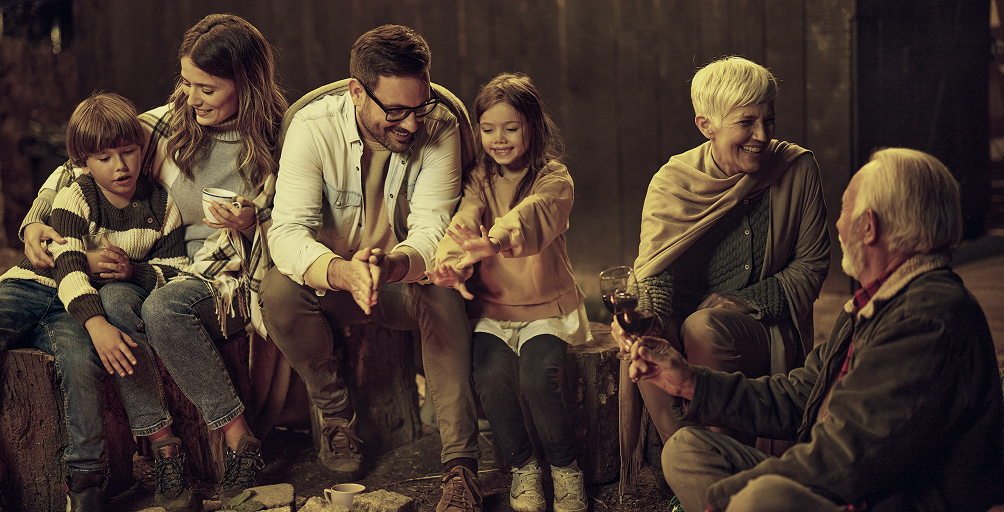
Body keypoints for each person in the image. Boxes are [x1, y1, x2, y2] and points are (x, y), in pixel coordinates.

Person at [627, 147, 1004, 512]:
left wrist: (727, 497)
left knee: (761, 500)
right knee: (686, 450)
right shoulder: (878, 302)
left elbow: (848, 460)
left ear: (868, 227)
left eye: (844, 209)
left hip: (877, 498)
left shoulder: (928, 316)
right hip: (842, 482)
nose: (838, 225)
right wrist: (690, 382)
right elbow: (796, 396)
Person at [20, 14, 288, 511]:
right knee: (118, 301)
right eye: (186, 82)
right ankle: (163, 444)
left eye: (206, 87)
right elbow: (80, 164)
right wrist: (35, 221)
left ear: (245, 85)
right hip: (161, 268)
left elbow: (294, 225)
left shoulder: (277, 139)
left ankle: (238, 436)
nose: (191, 96)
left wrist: (253, 223)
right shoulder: (164, 124)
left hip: (229, 276)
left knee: (163, 309)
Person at [259, 24, 482, 512]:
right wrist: (343, 271)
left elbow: (433, 232)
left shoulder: (438, 124)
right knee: (277, 292)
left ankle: (461, 467)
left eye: (419, 107)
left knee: (443, 295)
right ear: (357, 91)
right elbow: (288, 232)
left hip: (403, 281)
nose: (411, 124)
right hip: (334, 283)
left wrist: (392, 264)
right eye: (396, 111)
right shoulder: (312, 127)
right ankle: (337, 417)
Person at [0, 91, 188, 512]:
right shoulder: (75, 191)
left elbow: (172, 268)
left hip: (76, 306)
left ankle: (85, 480)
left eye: (128, 152)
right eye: (105, 158)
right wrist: (93, 299)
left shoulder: (160, 204)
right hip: (31, 285)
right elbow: (65, 258)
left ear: (143, 148)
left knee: (81, 366)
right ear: (82, 162)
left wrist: (133, 273)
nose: (120, 165)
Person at [613, 56, 831, 466]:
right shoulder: (673, 182)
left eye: (769, 120)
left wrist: (742, 302)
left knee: (704, 324)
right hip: (680, 325)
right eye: (747, 122)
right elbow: (654, 277)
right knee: (648, 338)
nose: (762, 135)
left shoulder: (797, 169)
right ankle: (687, 459)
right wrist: (647, 321)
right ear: (706, 125)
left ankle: (727, 465)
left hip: (762, 328)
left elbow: (812, 266)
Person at [427, 72, 590, 512]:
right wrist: (448, 256)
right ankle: (523, 469)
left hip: (544, 307)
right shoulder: (479, 177)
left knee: (540, 378)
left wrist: (495, 241)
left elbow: (533, 215)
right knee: (491, 378)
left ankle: (564, 468)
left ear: (532, 127)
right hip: (493, 310)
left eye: (511, 128)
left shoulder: (554, 178)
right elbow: (464, 218)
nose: (499, 139)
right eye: (488, 129)